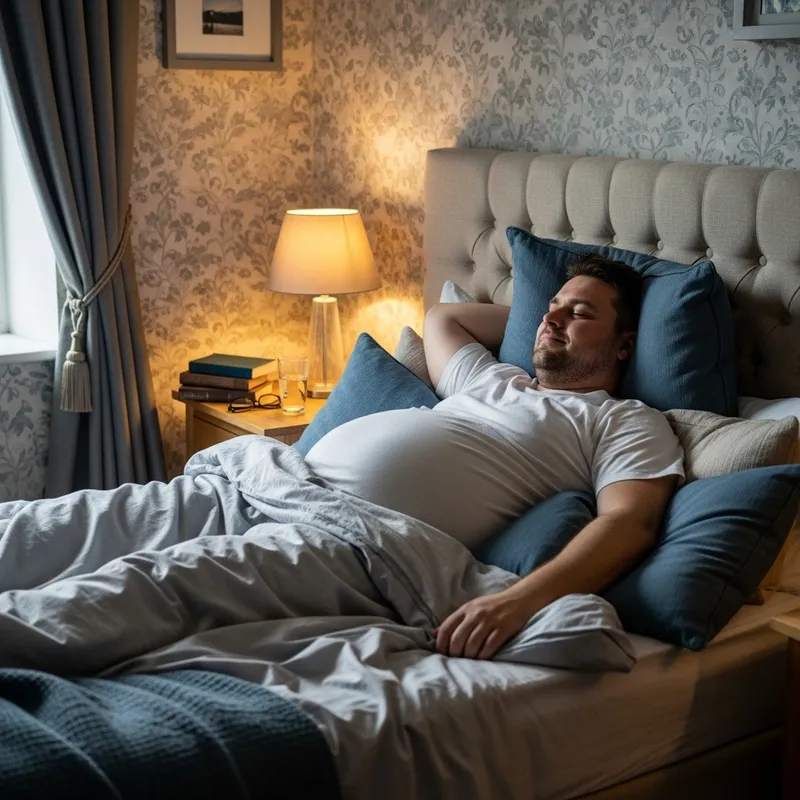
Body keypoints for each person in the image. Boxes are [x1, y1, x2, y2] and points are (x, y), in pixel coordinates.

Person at [305, 255, 684, 661]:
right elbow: (442, 319)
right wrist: (543, 323)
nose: (552, 319)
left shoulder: (622, 420)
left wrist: (518, 603)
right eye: (550, 307)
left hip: (346, 544)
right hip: (282, 487)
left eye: (579, 313)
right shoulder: (492, 376)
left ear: (625, 344)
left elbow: (629, 523)